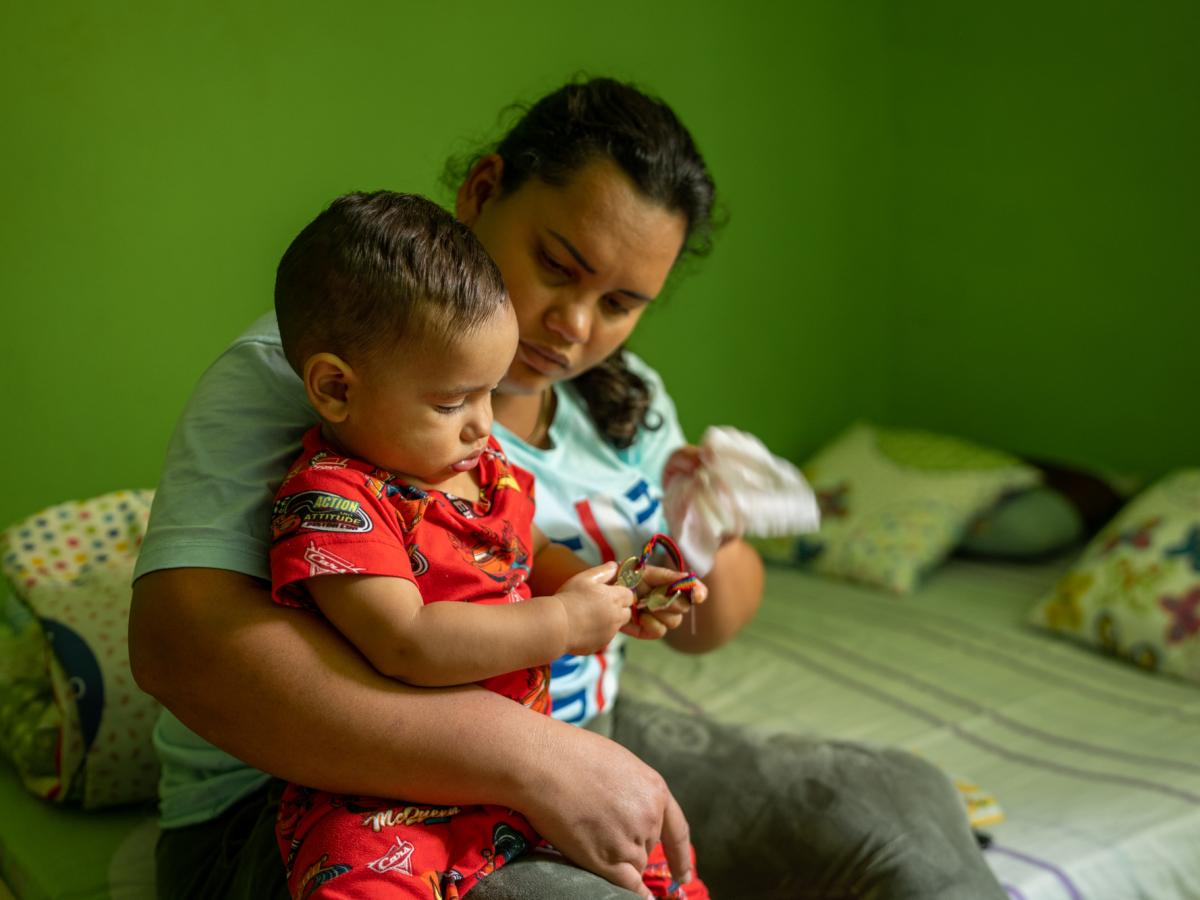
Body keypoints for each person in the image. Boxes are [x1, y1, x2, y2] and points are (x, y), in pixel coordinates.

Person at [130, 77, 1007, 899]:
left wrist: (702, 539)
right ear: (482, 191)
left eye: (622, 303)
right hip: (316, 800)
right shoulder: (323, 372)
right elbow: (181, 649)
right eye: (556, 264)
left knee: (899, 801)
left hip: (580, 732)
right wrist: (530, 757)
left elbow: (698, 624)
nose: (576, 325)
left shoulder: (621, 397)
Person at [266, 190, 706, 899]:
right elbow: (405, 641)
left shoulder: (487, 471)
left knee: (652, 863)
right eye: (451, 403)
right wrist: (562, 626)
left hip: (529, 771)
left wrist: (621, 588)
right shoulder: (333, 501)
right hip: (388, 790)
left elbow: (531, 556)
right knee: (352, 879)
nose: (481, 426)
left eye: (490, 395)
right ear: (336, 389)